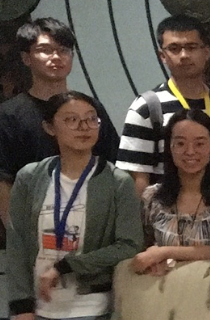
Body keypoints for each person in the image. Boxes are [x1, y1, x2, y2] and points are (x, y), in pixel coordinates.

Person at [5, 92, 142, 320]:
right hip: (35, 311)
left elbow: (130, 245)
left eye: (91, 119)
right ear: (49, 127)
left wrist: (67, 266)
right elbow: (17, 243)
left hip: (92, 310)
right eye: (71, 120)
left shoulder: (117, 181)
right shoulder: (30, 177)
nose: (84, 127)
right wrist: (21, 307)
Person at [0, 19, 120, 222]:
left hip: (93, 219)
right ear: (26, 58)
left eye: (64, 50)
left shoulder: (90, 107)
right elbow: (4, 181)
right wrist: (17, 233)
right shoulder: (9, 114)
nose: (56, 57)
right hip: (35, 222)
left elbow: (113, 165)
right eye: (45, 50)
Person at [117, 15, 210, 194]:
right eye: (174, 49)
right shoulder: (146, 108)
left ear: (206, 52)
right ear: (162, 56)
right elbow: (138, 178)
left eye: (192, 47)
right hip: (169, 209)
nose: (184, 55)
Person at [134, 109, 210, 276]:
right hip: (166, 287)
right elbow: (144, 251)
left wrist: (165, 252)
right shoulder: (152, 197)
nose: (190, 151)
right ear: (169, 147)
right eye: (180, 144)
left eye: (199, 144)